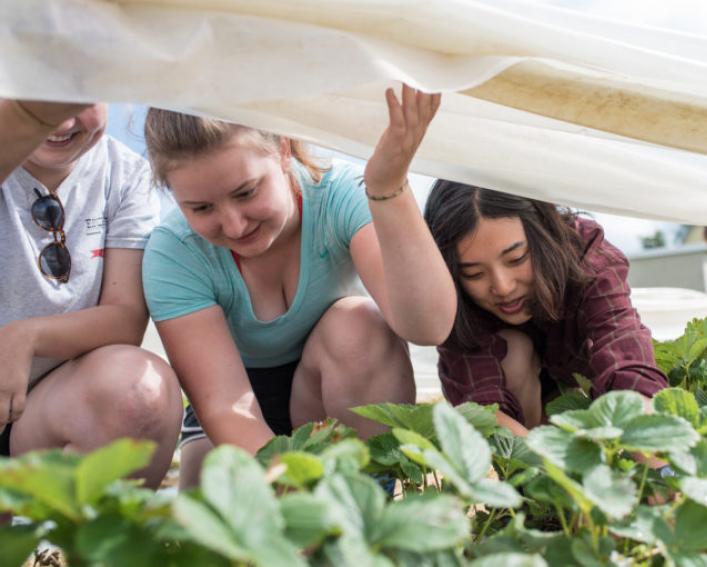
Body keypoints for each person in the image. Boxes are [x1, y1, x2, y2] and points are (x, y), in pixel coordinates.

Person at [142, 85, 457, 489]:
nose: (234, 225)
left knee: (359, 324)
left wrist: (387, 188)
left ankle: (364, 504)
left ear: (284, 151)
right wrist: (298, 496)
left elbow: (429, 326)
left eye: (246, 192)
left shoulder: (339, 193)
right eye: (201, 208)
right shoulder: (174, 252)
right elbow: (225, 406)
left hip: (330, 388)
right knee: (216, 521)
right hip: (232, 409)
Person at [0, 99, 183, 488]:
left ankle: (86, 543)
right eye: (37, 98)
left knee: (139, 390)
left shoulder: (127, 174)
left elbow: (126, 316)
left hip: (54, 404)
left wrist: (25, 337)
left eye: (80, 97)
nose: (61, 119)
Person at [424, 180, 668, 437]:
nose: (503, 287)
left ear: (544, 231)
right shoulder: (450, 296)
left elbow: (621, 346)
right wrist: (548, 467)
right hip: (518, 409)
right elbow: (481, 409)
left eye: (516, 259)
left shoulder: (588, 259)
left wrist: (651, 444)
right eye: (474, 273)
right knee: (514, 352)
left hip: (578, 391)